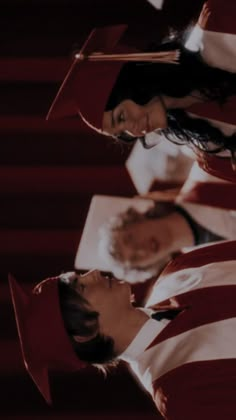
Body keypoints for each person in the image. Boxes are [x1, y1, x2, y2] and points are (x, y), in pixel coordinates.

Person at [9, 239, 236, 418]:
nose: (94, 272)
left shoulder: (178, 274)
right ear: (84, 332)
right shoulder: (182, 395)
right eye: (81, 286)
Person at [47, 1, 236, 182]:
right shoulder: (212, 154)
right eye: (123, 132)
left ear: (133, 83)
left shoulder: (217, 25)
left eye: (121, 117)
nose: (134, 131)